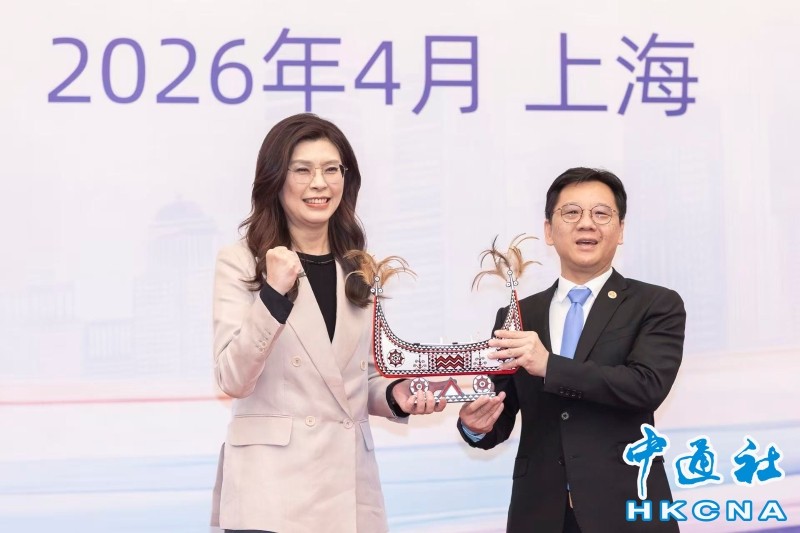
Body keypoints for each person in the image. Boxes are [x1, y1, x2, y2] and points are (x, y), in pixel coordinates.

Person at [210, 113, 445, 533]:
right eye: (302, 170)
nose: (319, 184)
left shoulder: (358, 266)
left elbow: (356, 380)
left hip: (349, 492)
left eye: (331, 169)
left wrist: (396, 396)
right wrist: (272, 294)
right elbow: (232, 378)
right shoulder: (242, 262)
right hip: (270, 496)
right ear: (276, 179)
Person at [458, 167, 685, 533]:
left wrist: (549, 365)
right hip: (539, 514)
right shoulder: (517, 314)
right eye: (572, 212)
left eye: (601, 213)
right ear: (549, 231)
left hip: (627, 509)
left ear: (620, 230)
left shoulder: (655, 304)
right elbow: (501, 410)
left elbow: (647, 386)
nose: (586, 224)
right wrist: (475, 426)